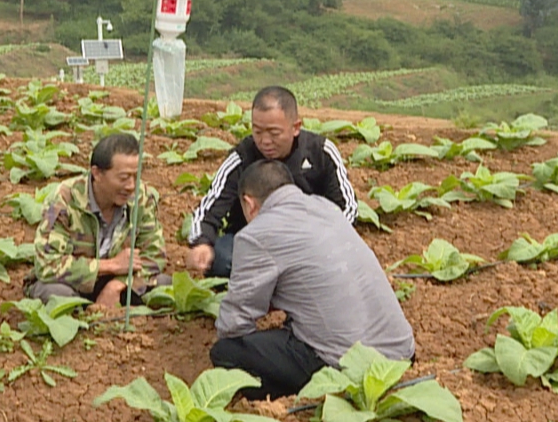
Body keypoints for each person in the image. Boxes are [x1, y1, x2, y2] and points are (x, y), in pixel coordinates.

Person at [210, 159, 414, 399]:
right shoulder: (326, 208)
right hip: (400, 356)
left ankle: (301, 397)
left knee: (226, 352)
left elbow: (234, 325)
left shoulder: (256, 234)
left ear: (248, 203)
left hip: (345, 368)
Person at [187, 85, 357, 277]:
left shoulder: (321, 152)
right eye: (257, 132)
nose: (265, 141)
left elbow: (347, 208)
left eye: (274, 133)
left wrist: (321, 239)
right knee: (222, 259)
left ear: (296, 128)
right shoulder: (241, 157)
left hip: (307, 241)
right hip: (252, 241)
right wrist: (201, 243)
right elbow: (209, 208)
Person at [28, 132, 166, 311]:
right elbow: (47, 265)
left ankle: (112, 303)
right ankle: (83, 315)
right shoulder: (64, 200)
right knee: (56, 294)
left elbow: (155, 256)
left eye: (136, 176)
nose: (131, 186)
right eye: (124, 178)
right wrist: (110, 265)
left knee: (163, 284)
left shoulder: (140, 197)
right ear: (97, 174)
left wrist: (116, 285)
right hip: (73, 284)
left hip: (116, 283)